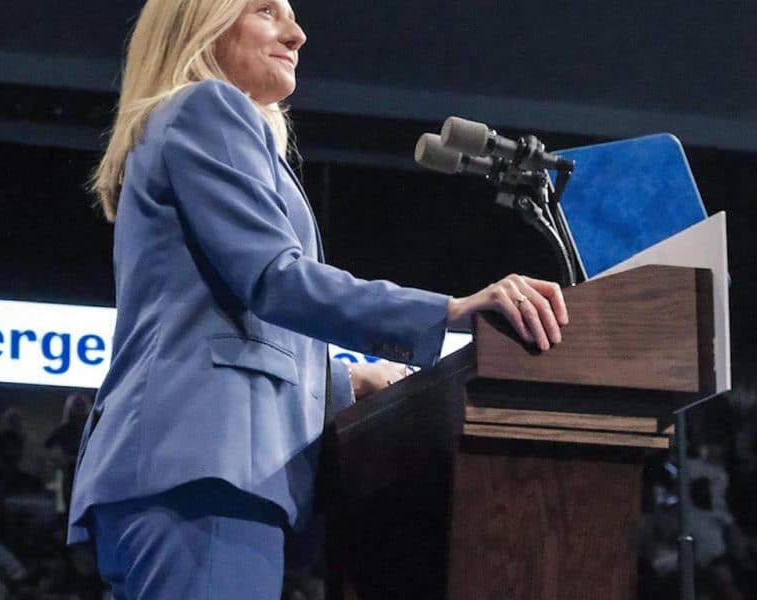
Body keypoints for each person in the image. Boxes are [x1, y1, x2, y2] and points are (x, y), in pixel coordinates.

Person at [66, 1, 569, 598]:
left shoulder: (183, 124)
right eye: (266, 11)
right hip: (206, 474)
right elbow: (276, 278)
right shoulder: (209, 106)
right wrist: (449, 310)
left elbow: (213, 323)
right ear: (201, 22)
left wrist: (343, 383)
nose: (298, 33)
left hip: (178, 475)